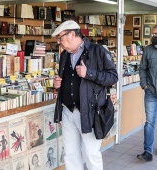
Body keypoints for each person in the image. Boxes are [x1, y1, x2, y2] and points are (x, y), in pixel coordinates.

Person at [52, 20, 118, 170]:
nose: (59, 42)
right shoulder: (64, 56)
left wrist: (89, 73)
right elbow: (67, 82)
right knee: (70, 154)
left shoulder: (97, 51)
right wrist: (57, 86)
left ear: (72, 34)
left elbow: (113, 77)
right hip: (68, 111)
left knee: (90, 154)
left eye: (60, 38)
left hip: (90, 112)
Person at [138, 25, 157, 162]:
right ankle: (148, 152)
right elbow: (142, 68)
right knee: (149, 122)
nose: (154, 36)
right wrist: (144, 84)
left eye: (156, 34)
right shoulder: (148, 50)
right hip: (151, 92)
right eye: (153, 34)